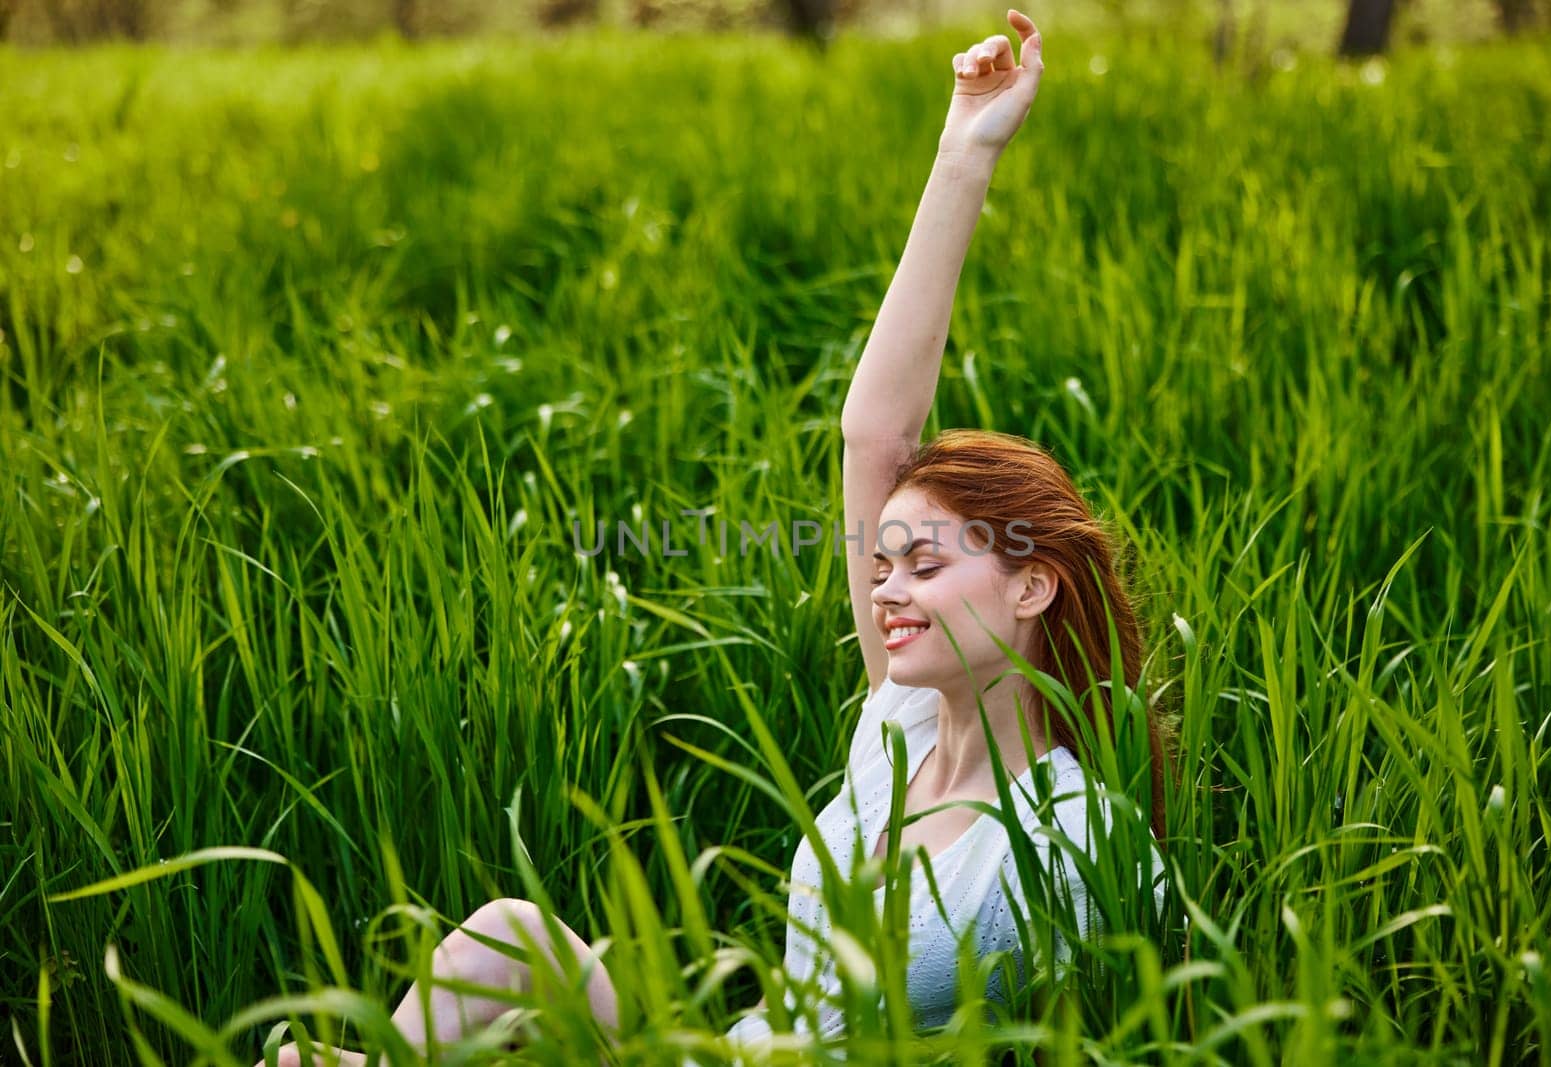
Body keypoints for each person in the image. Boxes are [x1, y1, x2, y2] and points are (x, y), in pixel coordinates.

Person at [256, 9, 1171, 1065]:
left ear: (1032, 588)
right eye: (882, 560)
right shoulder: (903, 723)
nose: (886, 588)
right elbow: (876, 431)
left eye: (926, 562)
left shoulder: (1081, 838)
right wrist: (962, 148)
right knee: (510, 934)